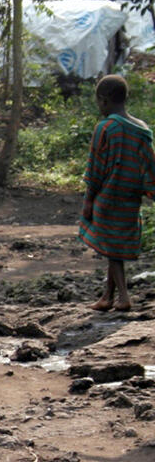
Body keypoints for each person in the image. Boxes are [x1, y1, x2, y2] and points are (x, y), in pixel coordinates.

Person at [78, 74, 155, 312]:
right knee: (115, 245)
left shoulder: (106, 128)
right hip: (131, 198)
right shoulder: (142, 129)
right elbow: (149, 165)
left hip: (108, 196)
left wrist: (89, 200)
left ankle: (123, 297)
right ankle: (107, 296)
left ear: (103, 100)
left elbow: (96, 168)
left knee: (112, 248)